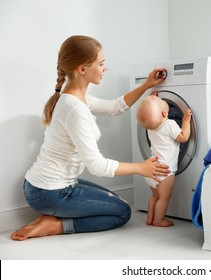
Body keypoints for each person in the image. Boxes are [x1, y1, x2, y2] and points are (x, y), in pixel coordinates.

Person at [11, 35, 170, 241]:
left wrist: (147, 84)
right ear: (82, 69)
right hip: (49, 192)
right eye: (101, 63)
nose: (106, 68)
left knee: (118, 202)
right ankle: (55, 225)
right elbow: (97, 165)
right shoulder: (74, 108)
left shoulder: (75, 98)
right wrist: (141, 168)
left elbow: (115, 107)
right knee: (122, 212)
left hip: (46, 187)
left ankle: (53, 214)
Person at [136, 94, 192, 227]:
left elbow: (150, 115)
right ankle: (158, 220)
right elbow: (183, 137)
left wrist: (152, 99)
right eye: (162, 101)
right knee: (164, 198)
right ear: (165, 112)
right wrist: (185, 121)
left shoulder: (150, 127)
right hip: (164, 171)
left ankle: (150, 218)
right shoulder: (170, 124)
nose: (162, 100)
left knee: (155, 197)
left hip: (152, 168)